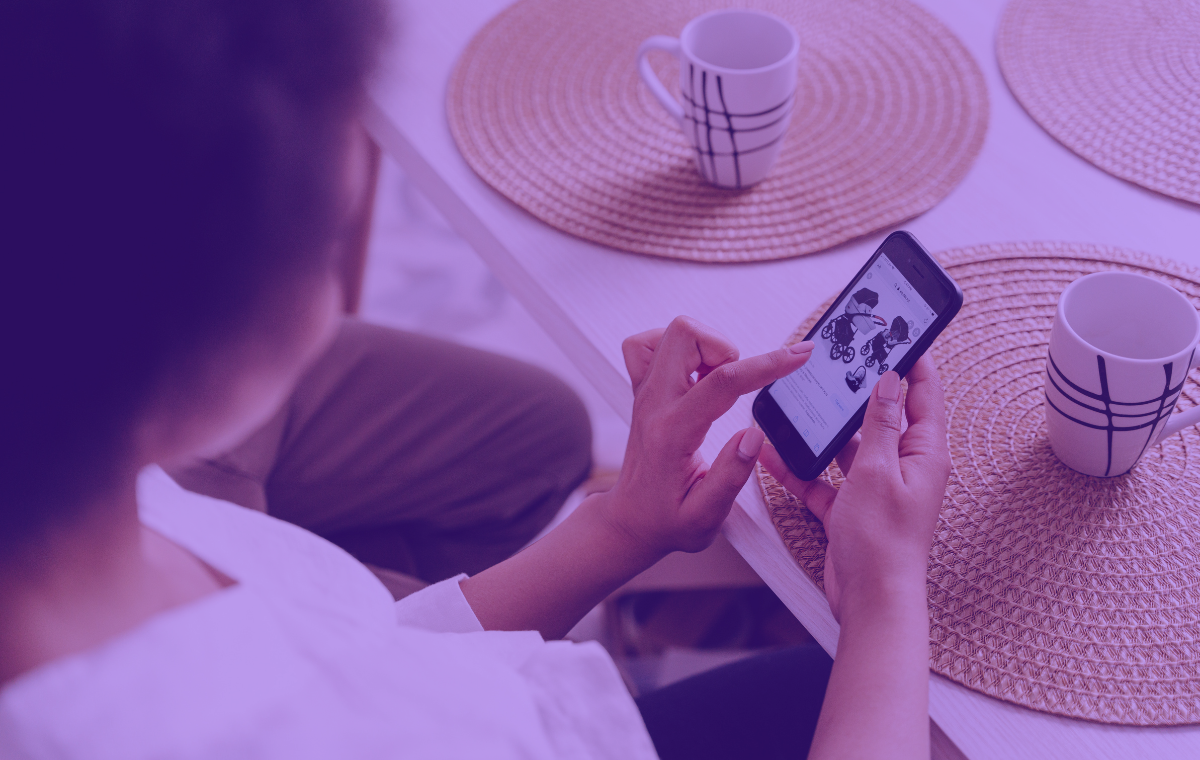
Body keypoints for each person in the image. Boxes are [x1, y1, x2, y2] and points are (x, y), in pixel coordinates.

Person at [0, 0, 952, 758]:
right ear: (203, 347)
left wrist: (621, 529)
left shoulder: (105, 514)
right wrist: (885, 597)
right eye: (327, 245)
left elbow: (373, 667)